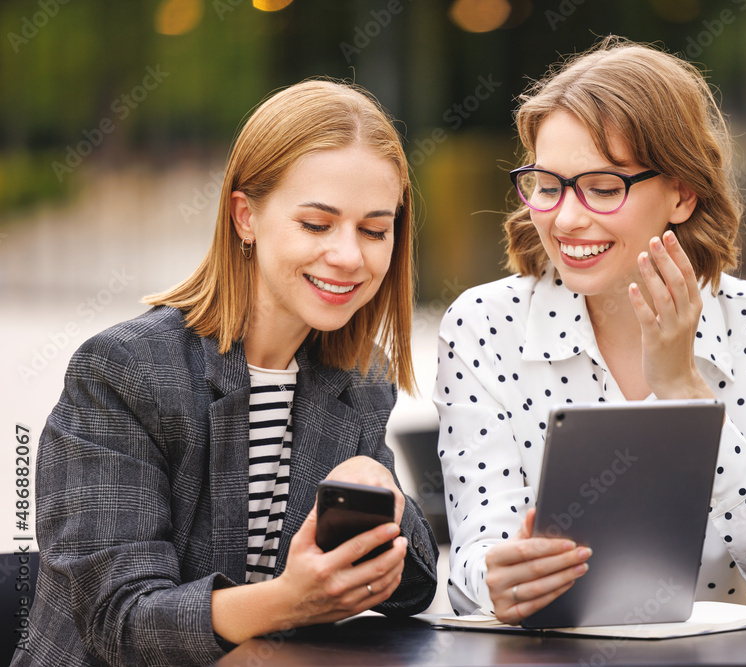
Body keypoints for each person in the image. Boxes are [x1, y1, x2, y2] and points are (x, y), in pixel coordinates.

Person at [16, 79, 438, 666]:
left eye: (374, 229)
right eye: (317, 225)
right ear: (246, 217)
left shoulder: (358, 377)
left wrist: (381, 489)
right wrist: (287, 601)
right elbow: (122, 623)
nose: (349, 256)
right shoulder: (125, 371)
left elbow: (412, 590)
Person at [433, 36, 746, 624]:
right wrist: (500, 576)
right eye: (548, 186)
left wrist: (686, 392)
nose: (567, 218)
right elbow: (474, 571)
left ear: (682, 193)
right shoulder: (483, 327)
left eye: (603, 187)